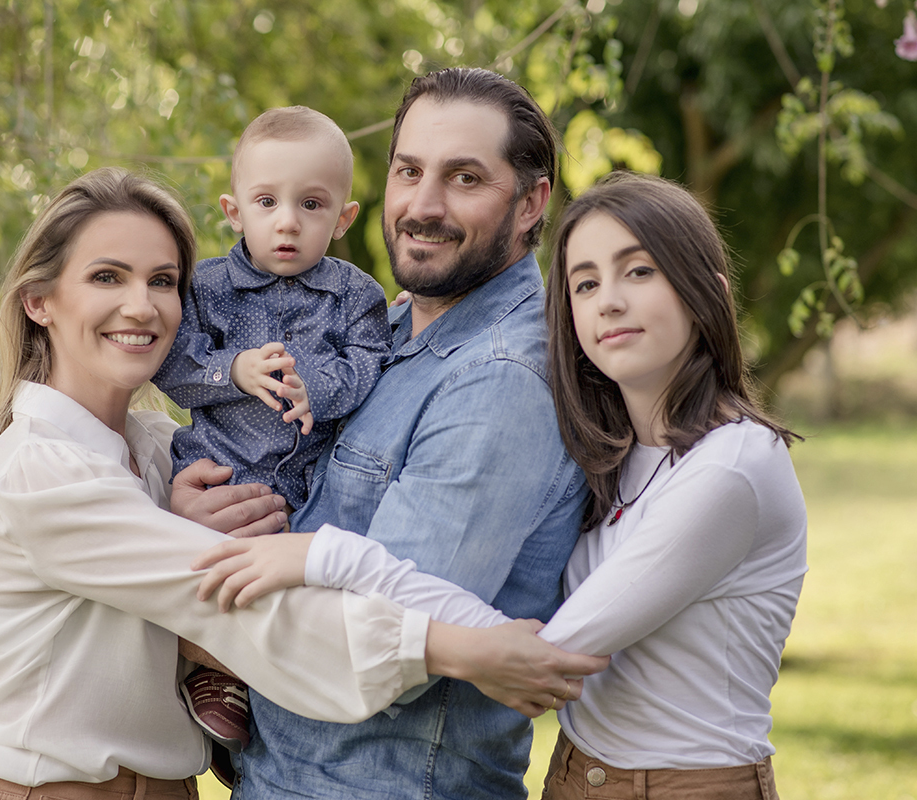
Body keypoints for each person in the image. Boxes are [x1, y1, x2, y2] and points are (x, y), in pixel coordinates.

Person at [0, 166, 606, 800]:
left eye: (164, 281)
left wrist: (386, 324)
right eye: (107, 277)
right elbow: (253, 615)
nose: (140, 307)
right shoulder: (39, 471)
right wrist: (463, 648)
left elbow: (310, 460)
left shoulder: (165, 454)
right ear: (39, 301)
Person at [196, 171, 808, 800]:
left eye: (639, 272)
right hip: (577, 777)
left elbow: (543, 655)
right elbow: (495, 643)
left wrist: (323, 555)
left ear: (708, 290)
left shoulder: (731, 466)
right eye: (586, 283)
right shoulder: (614, 451)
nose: (610, 301)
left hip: (691, 785)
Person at [229, 68, 590, 800]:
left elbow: (380, 645)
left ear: (531, 203)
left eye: (464, 178)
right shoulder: (385, 333)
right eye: (409, 171)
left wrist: (195, 614)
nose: (423, 206)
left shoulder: (504, 379)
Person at [153, 106, 389, 513]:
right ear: (235, 212)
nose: (288, 222)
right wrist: (234, 371)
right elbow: (168, 363)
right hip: (216, 481)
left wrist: (315, 388)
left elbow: (373, 363)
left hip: (313, 495)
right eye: (266, 201)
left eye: (311, 204)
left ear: (343, 219)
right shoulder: (207, 287)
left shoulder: (356, 294)